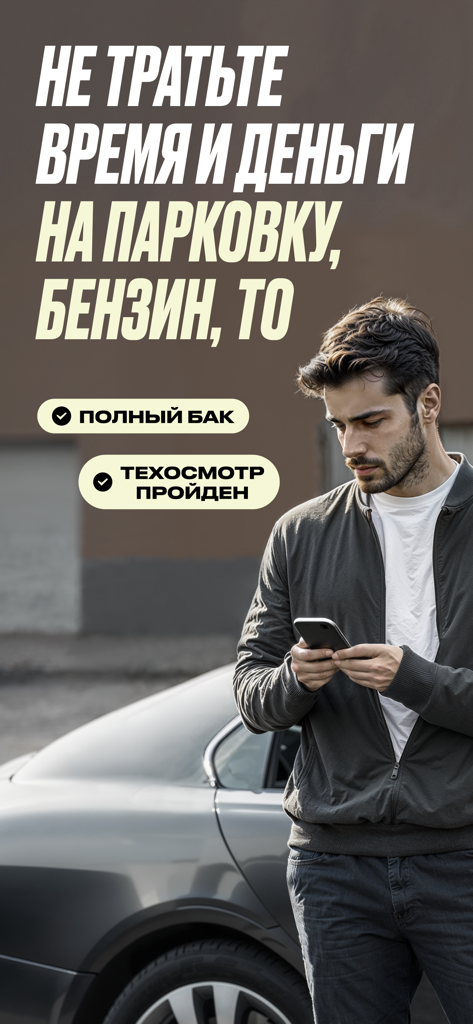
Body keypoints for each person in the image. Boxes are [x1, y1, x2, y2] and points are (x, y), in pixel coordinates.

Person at [233, 296, 473, 1024]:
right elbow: (249, 689)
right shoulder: (300, 534)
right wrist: (293, 681)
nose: (351, 445)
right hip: (335, 865)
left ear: (427, 403)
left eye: (371, 421)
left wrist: (413, 679)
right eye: (338, 426)